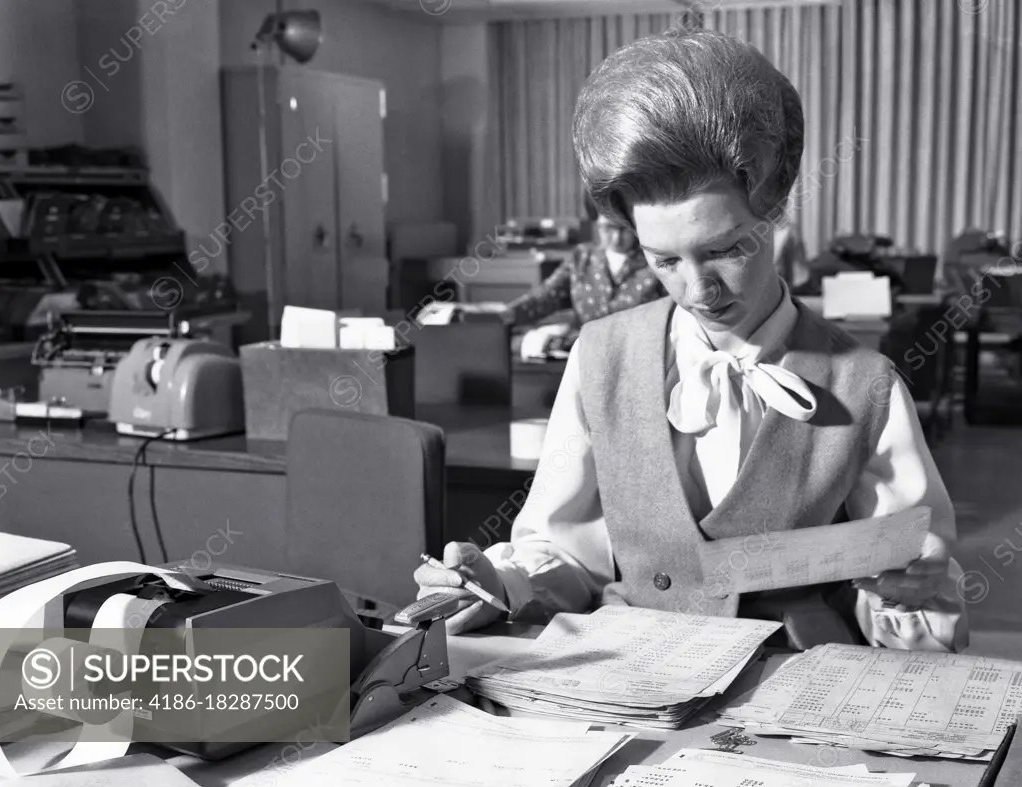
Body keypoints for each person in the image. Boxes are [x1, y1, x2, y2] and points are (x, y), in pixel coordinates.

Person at [414, 30, 966, 652]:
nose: (698, 289)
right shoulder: (599, 356)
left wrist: (910, 590)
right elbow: (566, 554)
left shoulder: (866, 384)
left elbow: (908, 599)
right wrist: (498, 579)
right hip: (629, 672)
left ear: (776, 211)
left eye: (726, 249)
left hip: (792, 690)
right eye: (664, 259)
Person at [498, 196, 665, 331]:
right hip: (586, 355)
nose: (616, 238)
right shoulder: (581, 257)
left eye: (623, 229)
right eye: (607, 228)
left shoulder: (654, 261)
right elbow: (545, 296)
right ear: (596, 224)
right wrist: (508, 313)